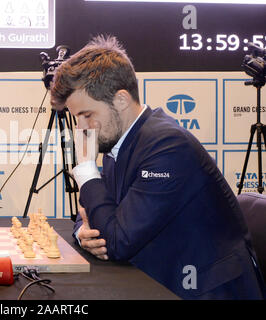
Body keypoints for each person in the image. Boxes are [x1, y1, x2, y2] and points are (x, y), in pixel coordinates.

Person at [50, 35, 265, 299]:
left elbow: (116, 242)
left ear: (120, 101)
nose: (82, 129)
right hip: (164, 278)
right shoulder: (117, 141)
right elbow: (98, 217)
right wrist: (83, 232)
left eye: (87, 115)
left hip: (206, 291)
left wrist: (85, 170)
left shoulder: (167, 147)